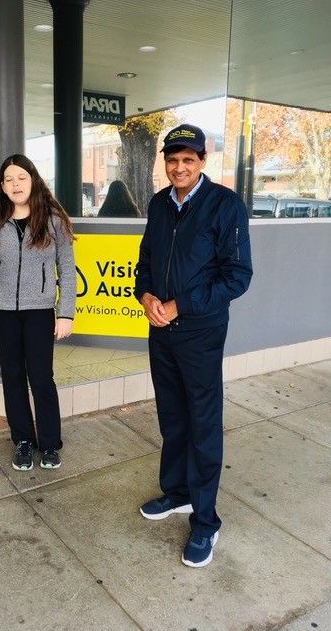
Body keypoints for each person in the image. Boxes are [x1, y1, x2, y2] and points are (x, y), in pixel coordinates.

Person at [134, 124, 252, 567]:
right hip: (159, 329)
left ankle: (205, 522)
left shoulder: (226, 206)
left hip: (199, 331)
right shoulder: (159, 204)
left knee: (203, 423)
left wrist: (180, 305)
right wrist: (145, 296)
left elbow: (237, 277)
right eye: (172, 159)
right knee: (172, 414)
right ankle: (178, 493)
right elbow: (146, 261)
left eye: (188, 159)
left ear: (203, 161)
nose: (179, 167)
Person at [0, 154, 76, 472]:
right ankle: (23, 441)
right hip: (1, 310)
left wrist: (65, 313)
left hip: (40, 310)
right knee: (12, 376)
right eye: (8, 179)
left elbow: (66, 269)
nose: (15, 184)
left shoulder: (53, 219)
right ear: (2, 186)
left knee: (41, 377)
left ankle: (51, 444)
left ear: (33, 179)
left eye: (21, 177)